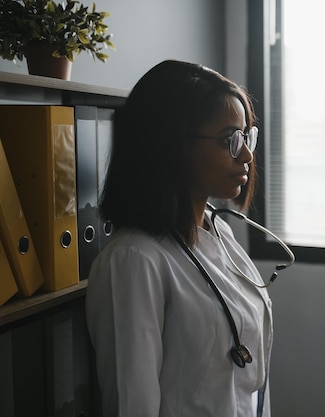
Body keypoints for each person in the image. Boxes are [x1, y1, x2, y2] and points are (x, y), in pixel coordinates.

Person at [86, 60, 275, 417]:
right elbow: (133, 405)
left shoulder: (221, 234)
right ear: (171, 144)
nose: (248, 155)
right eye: (229, 140)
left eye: (247, 137)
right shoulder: (134, 261)